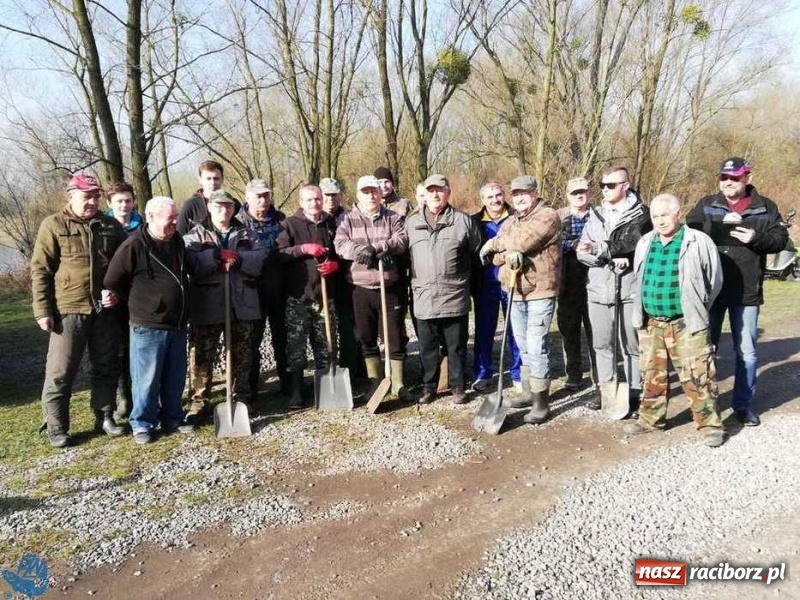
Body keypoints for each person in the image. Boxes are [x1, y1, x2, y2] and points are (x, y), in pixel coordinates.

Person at [687, 157, 788, 427]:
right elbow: (690, 232)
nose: (728, 183)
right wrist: (717, 227)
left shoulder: (764, 207)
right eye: (724, 178)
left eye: (734, 178)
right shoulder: (707, 204)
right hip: (712, 290)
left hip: (746, 291)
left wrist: (756, 238)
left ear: (746, 178)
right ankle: (707, 405)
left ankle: (743, 406)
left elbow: (781, 240)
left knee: (747, 352)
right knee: (705, 349)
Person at [30, 173, 127, 448]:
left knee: (106, 365)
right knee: (61, 371)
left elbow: (123, 267)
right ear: (70, 196)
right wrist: (42, 310)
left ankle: (104, 416)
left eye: (96, 196)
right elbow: (40, 270)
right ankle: (57, 426)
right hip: (68, 309)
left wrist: (117, 293)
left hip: (105, 310)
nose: (92, 202)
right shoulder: (53, 225)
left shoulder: (110, 226)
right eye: (87, 197)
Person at [626, 194, 725, 447]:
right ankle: (650, 420)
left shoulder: (698, 241)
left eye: (664, 215)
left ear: (678, 214)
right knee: (651, 375)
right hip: (651, 322)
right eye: (655, 216)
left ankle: (710, 425)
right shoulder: (646, 242)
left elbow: (714, 282)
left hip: (686, 321)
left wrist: (695, 308)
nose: (660, 221)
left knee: (698, 375)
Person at [104, 197, 194, 444]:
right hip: (148, 324)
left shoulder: (176, 241)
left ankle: (173, 418)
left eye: (176, 216)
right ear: (152, 217)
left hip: (177, 322)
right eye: (171, 218)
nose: (176, 221)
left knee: (175, 376)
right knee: (147, 378)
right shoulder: (133, 245)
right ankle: (142, 424)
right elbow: (113, 281)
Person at [480, 175, 561, 424]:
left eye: (525, 193)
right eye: (515, 194)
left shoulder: (548, 215)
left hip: (540, 291)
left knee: (537, 346)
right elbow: (495, 259)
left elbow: (525, 242)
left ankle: (541, 404)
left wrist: (495, 243)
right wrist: (507, 253)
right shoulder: (512, 220)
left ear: (535, 193)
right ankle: (528, 393)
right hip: (515, 290)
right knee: (524, 345)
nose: (520, 198)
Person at [183, 190, 267, 423]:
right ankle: (199, 401)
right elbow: (190, 261)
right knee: (201, 356)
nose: (224, 210)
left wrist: (239, 259)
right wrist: (216, 256)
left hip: (242, 303)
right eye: (219, 206)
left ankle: (241, 398)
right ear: (209, 207)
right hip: (208, 305)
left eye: (229, 206)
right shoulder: (196, 234)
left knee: (243, 354)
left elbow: (261, 259)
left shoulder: (248, 233)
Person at [577, 166, 651, 417]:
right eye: (602, 185)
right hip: (598, 290)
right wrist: (603, 256)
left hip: (627, 288)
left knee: (630, 344)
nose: (605, 190)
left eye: (611, 185)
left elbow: (637, 244)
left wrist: (602, 251)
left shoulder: (641, 215)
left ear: (625, 185)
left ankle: (633, 390)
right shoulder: (595, 215)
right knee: (602, 344)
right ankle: (606, 388)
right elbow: (581, 251)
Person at [407, 174, 481, 405]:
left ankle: (458, 386)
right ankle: (429, 387)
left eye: (440, 190)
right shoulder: (411, 222)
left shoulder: (463, 221)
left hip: (454, 294)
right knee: (427, 346)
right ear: (424, 195)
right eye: (431, 191)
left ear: (448, 193)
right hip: (424, 295)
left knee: (456, 345)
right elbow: (404, 257)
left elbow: (476, 254)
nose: (435, 195)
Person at [334, 175, 410, 400]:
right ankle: (376, 383)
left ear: (380, 193)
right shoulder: (346, 219)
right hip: (360, 287)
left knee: (394, 336)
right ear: (358, 195)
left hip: (389, 286)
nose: (370, 195)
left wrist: (379, 247)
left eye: (374, 191)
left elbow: (402, 239)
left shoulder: (393, 217)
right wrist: (361, 252)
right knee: (366, 336)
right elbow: (340, 245)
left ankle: (398, 383)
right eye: (365, 192)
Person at [276, 184, 340, 408]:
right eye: (310, 200)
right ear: (301, 202)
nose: (315, 203)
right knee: (296, 346)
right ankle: (296, 391)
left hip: (325, 296)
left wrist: (335, 265)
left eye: (318, 199)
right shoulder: (289, 225)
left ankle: (325, 387)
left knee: (326, 344)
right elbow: (279, 254)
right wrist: (303, 249)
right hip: (298, 297)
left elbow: (341, 252)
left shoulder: (331, 224)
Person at [470, 181, 523, 400]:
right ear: (483, 200)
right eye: (489, 197)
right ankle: (483, 373)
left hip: (513, 281)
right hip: (485, 284)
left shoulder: (518, 218)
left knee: (515, 331)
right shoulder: (474, 222)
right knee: (484, 331)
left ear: (504, 196)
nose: (495, 200)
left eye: (498, 195)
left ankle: (518, 374)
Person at [237, 178, 289, 398]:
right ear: (248, 197)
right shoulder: (238, 223)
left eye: (266, 195)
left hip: (278, 288)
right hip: (250, 290)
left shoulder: (281, 220)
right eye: (258, 196)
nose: (263, 200)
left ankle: (288, 384)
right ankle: (250, 388)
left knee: (283, 338)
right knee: (251, 342)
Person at [105, 181, 143, 420]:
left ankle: (144, 397)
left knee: (139, 349)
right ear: (110, 203)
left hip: (139, 297)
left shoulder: (144, 225)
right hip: (112, 297)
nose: (124, 205)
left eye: (127, 200)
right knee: (116, 351)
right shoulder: (102, 227)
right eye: (119, 201)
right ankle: (123, 397)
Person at [557, 177, 597, 401]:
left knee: (596, 331)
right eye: (575, 193)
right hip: (567, 280)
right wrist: (574, 244)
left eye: (583, 191)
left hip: (595, 279)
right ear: (568, 195)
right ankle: (573, 374)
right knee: (569, 329)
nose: (579, 195)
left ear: (589, 193)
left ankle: (599, 375)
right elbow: (552, 244)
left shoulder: (599, 215)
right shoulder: (558, 217)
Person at [320, 176, 363, 380]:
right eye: (326, 195)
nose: (330, 199)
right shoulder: (316, 219)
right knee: (325, 331)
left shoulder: (349, 218)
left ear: (341, 196)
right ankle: (328, 371)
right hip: (322, 282)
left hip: (348, 279)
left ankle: (354, 370)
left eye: (334, 195)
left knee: (350, 328)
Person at [177, 160, 242, 235]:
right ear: (200, 180)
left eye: (216, 178)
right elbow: (180, 235)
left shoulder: (233, 204)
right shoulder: (191, 205)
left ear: (222, 179)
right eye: (208, 179)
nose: (212, 183)